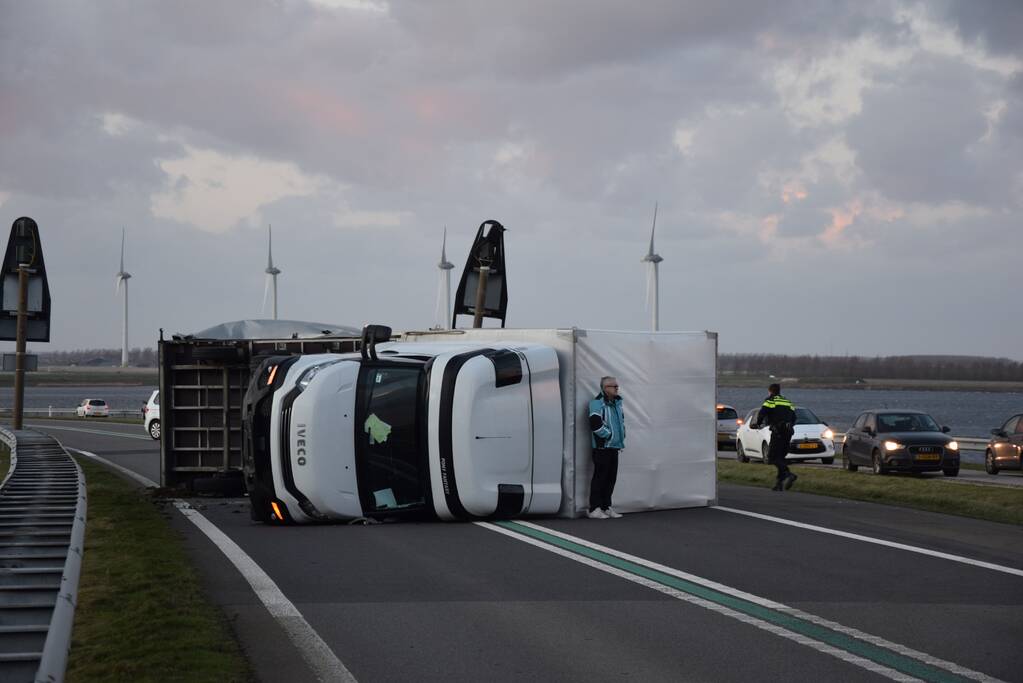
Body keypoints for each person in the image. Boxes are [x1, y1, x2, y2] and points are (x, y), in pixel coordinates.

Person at [588, 376, 626, 519]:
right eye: (613, 386)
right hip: (602, 448)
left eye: (617, 385)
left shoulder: (617, 404)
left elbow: (621, 422)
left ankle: (606, 506)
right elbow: (595, 424)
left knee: (611, 478)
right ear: (604, 388)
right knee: (600, 478)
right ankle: (594, 508)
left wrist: (620, 437)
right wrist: (608, 435)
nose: (616, 388)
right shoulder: (597, 403)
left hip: (614, 447)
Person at [752, 383, 797, 491]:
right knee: (780, 457)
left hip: (778, 432)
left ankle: (789, 474)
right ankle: (779, 484)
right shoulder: (787, 401)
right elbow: (794, 417)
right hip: (788, 432)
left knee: (772, 457)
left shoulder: (770, 401)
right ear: (779, 391)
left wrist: (757, 424)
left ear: (770, 391)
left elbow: (762, 413)